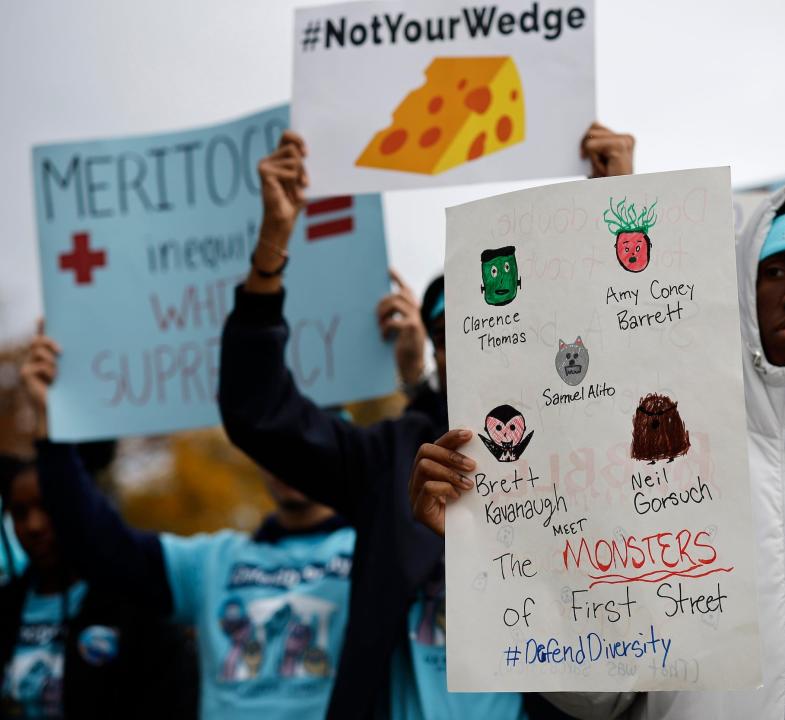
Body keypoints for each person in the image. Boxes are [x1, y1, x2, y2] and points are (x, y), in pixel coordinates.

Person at [409, 179, 785, 719]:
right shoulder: (657, 471)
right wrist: (476, 544)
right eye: (775, 271)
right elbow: (600, 693)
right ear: (743, 286)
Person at [217, 122, 634, 719]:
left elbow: (645, 358)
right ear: (437, 350)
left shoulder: (584, 438)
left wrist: (619, 205)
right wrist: (272, 247)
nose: (472, 348)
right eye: (449, 335)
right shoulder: (392, 457)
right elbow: (258, 412)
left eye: (487, 326)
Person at [19, 326, 358, 720]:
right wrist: (53, 429)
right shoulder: (213, 561)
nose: (291, 451)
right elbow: (101, 548)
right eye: (277, 436)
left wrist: (416, 376)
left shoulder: (377, 552)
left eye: (308, 435)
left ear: (340, 442)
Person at [0, 453, 193, 718]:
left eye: (49, 506)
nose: (34, 526)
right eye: (20, 514)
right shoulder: (7, 605)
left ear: (81, 508)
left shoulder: (134, 605)